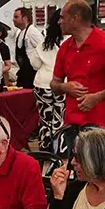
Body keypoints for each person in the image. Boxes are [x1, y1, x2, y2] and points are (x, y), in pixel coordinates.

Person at [51, 0, 105, 151]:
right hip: (73, 125)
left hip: (100, 127)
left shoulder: (104, 43)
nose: (59, 22)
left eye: (62, 17)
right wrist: (64, 87)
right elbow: (54, 84)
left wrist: (98, 97)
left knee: (100, 172)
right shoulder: (65, 48)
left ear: (75, 19)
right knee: (76, 170)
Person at [29, 9, 68, 152]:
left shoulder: (45, 42)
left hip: (42, 84)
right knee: (60, 117)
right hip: (63, 83)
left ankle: (45, 147)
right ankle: (60, 148)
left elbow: (35, 64)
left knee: (45, 118)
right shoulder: (70, 41)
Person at [12, 7, 43, 90]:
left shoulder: (32, 32)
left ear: (25, 18)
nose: (13, 20)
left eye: (16, 17)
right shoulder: (20, 33)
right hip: (23, 74)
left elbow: (44, 50)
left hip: (32, 76)